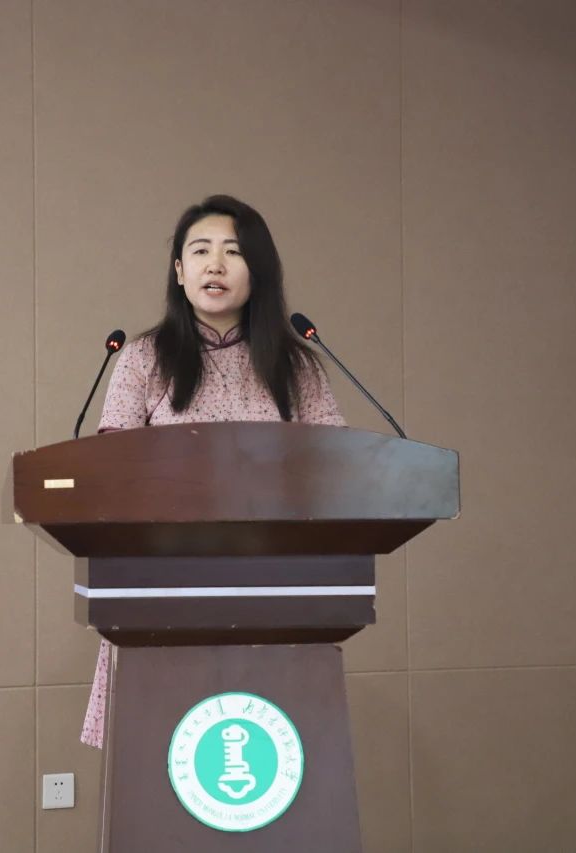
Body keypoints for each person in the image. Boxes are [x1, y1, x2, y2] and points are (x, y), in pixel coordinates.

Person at [80, 194, 346, 749]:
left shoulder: (297, 366)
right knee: (160, 756)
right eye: (200, 251)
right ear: (179, 271)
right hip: (162, 587)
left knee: (267, 751)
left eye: (234, 252)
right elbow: (112, 472)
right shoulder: (143, 358)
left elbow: (337, 468)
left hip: (275, 589)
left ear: (259, 270)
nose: (215, 265)